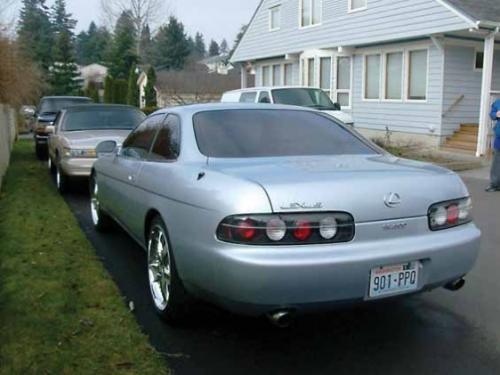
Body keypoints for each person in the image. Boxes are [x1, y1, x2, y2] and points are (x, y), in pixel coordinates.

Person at [487, 99, 500, 192]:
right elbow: (492, 114)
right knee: (497, 161)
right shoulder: (497, 102)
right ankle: (495, 184)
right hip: (499, 137)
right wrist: (496, 114)